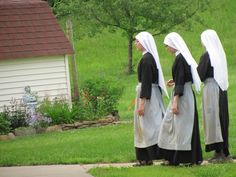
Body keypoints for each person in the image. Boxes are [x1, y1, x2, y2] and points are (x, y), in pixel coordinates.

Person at [158, 32, 203, 166]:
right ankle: (178, 157)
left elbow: (182, 82)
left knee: (182, 126)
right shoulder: (183, 57)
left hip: (182, 96)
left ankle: (184, 159)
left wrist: (175, 102)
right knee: (179, 126)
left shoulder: (180, 59)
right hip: (186, 93)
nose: (166, 49)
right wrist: (175, 80)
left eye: (167, 46)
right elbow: (185, 77)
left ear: (172, 44)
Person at [133, 31, 168, 166]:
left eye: (137, 41)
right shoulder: (148, 57)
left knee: (149, 126)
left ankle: (150, 157)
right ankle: (145, 157)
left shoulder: (147, 59)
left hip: (148, 97)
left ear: (144, 43)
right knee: (146, 126)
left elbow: (147, 82)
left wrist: (142, 104)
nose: (136, 43)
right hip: (149, 95)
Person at [197, 29, 232, 163]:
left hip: (211, 89)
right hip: (221, 90)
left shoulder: (207, 56)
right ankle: (223, 152)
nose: (201, 42)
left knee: (213, 120)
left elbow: (200, 74)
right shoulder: (219, 55)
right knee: (221, 119)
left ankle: (219, 153)